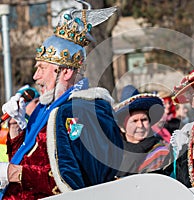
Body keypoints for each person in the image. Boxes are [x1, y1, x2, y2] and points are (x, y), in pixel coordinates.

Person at [0, 7, 123, 199]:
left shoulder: (83, 111)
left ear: (65, 72)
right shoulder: (46, 108)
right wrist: (16, 126)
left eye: (41, 68)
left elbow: (74, 182)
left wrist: (12, 173)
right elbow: (32, 160)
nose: (35, 76)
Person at [114, 85, 169, 177]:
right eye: (134, 121)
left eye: (144, 120)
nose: (140, 125)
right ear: (122, 127)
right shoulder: (113, 153)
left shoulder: (161, 153)